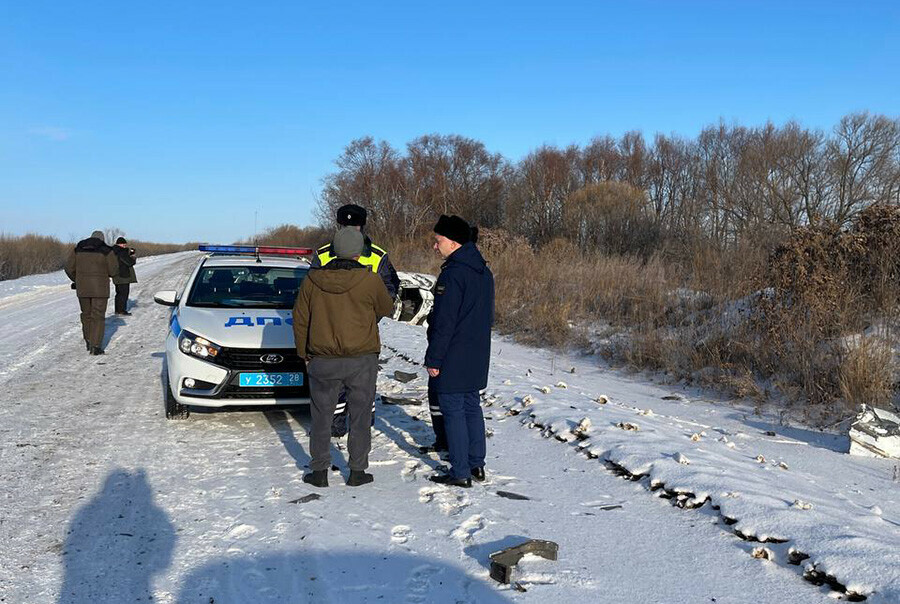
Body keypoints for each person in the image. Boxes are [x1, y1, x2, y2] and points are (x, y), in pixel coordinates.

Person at [293, 227, 395, 488]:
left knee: (321, 415)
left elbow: (300, 319)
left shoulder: (312, 280)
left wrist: (304, 353)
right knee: (360, 415)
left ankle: (319, 472)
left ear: (334, 250)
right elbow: (387, 308)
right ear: (359, 253)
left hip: (322, 358)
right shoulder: (371, 280)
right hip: (362, 358)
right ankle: (358, 471)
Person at [310, 203, 400, 437]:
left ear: (362, 226)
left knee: (363, 384)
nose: (350, 229)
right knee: (335, 385)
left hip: (364, 331)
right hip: (331, 330)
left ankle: (362, 430)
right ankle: (336, 426)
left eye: (355, 225)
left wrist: (370, 317)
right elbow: (311, 290)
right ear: (339, 225)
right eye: (346, 225)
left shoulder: (378, 256)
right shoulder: (322, 254)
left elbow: (390, 289)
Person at [425, 215, 494, 488]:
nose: (435, 246)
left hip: (453, 354)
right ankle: (477, 465)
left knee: (453, 411)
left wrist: (434, 358)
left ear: (453, 243)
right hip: (477, 354)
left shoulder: (453, 274)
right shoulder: (483, 271)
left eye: (438, 240)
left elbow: (444, 322)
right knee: (471, 407)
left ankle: (460, 472)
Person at [65, 230, 119, 355]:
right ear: (102, 239)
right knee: (98, 316)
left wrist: (77, 279)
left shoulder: (78, 249)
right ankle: (95, 346)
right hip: (100, 289)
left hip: (82, 288)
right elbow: (114, 270)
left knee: (86, 314)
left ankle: (88, 340)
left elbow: (68, 268)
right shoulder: (106, 250)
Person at [112, 236, 137, 316]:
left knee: (118, 293)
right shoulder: (121, 252)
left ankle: (117, 310)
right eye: (124, 244)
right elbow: (129, 262)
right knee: (124, 293)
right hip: (123, 276)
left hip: (116, 275)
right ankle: (122, 310)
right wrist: (132, 256)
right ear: (120, 244)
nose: (125, 246)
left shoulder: (113, 251)